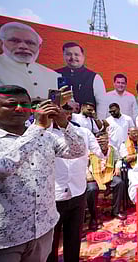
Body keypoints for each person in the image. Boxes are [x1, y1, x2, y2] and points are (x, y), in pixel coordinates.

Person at [0, 85, 85, 261]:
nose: (20, 109)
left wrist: (64, 124)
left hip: (42, 229)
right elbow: (3, 167)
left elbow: (77, 150)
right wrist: (38, 127)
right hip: (6, 238)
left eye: (25, 104)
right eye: (11, 104)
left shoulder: (45, 137)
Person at [48, 104, 104, 262]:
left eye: (68, 109)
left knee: (73, 240)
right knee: (50, 244)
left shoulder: (83, 133)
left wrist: (105, 148)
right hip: (53, 196)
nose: (64, 112)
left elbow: (100, 153)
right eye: (61, 107)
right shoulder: (44, 134)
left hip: (78, 192)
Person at [0, 22, 60, 99]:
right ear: (1, 43)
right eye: (15, 41)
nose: (23, 46)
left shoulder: (54, 75)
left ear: (39, 47)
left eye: (30, 43)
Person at [86, 131, 127, 231]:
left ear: (108, 140)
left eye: (103, 141)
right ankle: (94, 217)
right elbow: (83, 165)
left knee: (119, 183)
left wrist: (117, 167)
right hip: (94, 176)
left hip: (108, 175)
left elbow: (119, 159)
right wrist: (88, 174)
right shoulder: (89, 151)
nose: (101, 143)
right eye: (99, 141)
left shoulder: (112, 149)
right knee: (91, 189)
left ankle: (115, 211)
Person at [56, 42, 107, 120]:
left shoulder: (94, 77)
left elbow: (102, 104)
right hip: (60, 122)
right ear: (63, 56)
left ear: (83, 56)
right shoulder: (55, 74)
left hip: (86, 124)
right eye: (68, 54)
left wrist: (99, 124)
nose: (72, 57)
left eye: (76, 54)